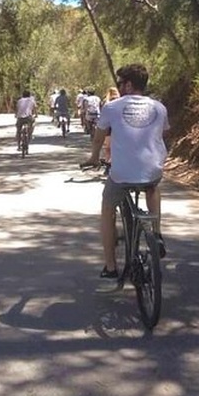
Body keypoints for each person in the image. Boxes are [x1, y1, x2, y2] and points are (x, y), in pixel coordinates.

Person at [82, 64, 169, 279]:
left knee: (108, 208)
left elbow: (99, 137)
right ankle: (156, 233)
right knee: (153, 186)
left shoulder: (112, 107)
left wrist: (93, 158)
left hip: (121, 175)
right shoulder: (159, 107)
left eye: (120, 83)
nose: (119, 87)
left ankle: (110, 267)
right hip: (152, 170)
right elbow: (162, 133)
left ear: (129, 85)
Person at [101, 87, 120, 161]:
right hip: (119, 127)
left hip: (109, 127)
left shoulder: (106, 102)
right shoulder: (121, 101)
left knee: (108, 148)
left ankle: (107, 161)